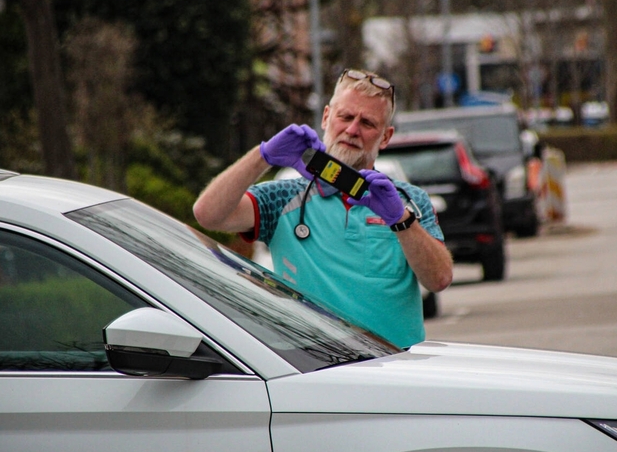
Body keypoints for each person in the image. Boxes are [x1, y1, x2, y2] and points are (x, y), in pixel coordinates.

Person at [193, 69, 453, 347]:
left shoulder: (408, 201)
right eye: (345, 117)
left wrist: (400, 220)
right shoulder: (285, 196)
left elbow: (439, 279)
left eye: (367, 123)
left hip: (394, 371)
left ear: (386, 137)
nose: (352, 130)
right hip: (311, 370)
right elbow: (208, 215)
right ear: (326, 117)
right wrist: (263, 156)